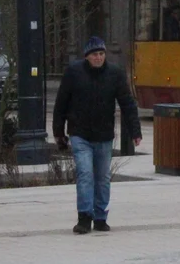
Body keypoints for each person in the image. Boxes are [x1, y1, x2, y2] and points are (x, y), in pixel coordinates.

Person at [53, 37, 142, 235]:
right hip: (80, 134)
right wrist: (59, 133)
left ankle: (100, 216)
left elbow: (127, 103)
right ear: (87, 56)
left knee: (102, 178)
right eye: (94, 54)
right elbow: (61, 104)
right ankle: (84, 217)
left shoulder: (115, 74)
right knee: (85, 174)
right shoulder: (74, 73)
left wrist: (135, 131)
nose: (99, 58)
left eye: (101, 54)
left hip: (104, 135)